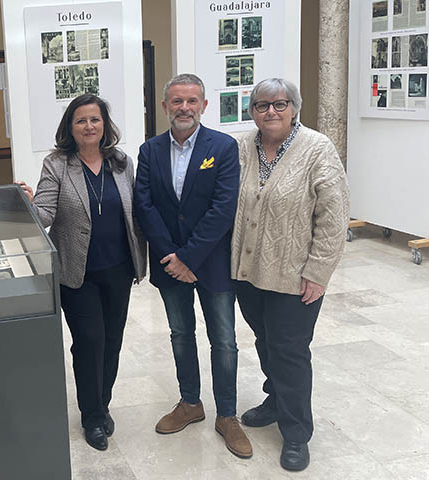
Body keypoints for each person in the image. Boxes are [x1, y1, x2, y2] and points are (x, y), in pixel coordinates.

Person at [232, 78, 349, 472]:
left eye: (280, 104)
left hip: (294, 276)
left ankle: (297, 432)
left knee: (290, 351)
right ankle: (276, 400)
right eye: (262, 105)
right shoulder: (242, 147)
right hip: (247, 274)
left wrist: (318, 271)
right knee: (265, 341)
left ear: (294, 108)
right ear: (252, 110)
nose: (271, 112)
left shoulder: (317, 149)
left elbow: (333, 217)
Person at [17, 94, 146, 451]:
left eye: (95, 119)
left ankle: (102, 403)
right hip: (78, 273)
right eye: (81, 121)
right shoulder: (57, 164)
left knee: (113, 342)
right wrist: (27, 204)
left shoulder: (122, 163)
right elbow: (44, 214)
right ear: (70, 128)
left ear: (104, 124)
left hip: (119, 269)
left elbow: (136, 212)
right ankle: (92, 417)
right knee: (90, 342)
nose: (89, 126)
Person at [133, 73, 251, 458]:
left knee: (225, 340)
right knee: (180, 334)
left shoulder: (224, 146)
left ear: (204, 105)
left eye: (192, 101)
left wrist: (189, 257)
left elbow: (223, 208)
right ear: (165, 106)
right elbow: (145, 206)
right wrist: (172, 257)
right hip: (170, 265)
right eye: (177, 101)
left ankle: (227, 416)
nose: (185, 107)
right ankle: (190, 403)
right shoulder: (149, 150)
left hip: (211, 263)